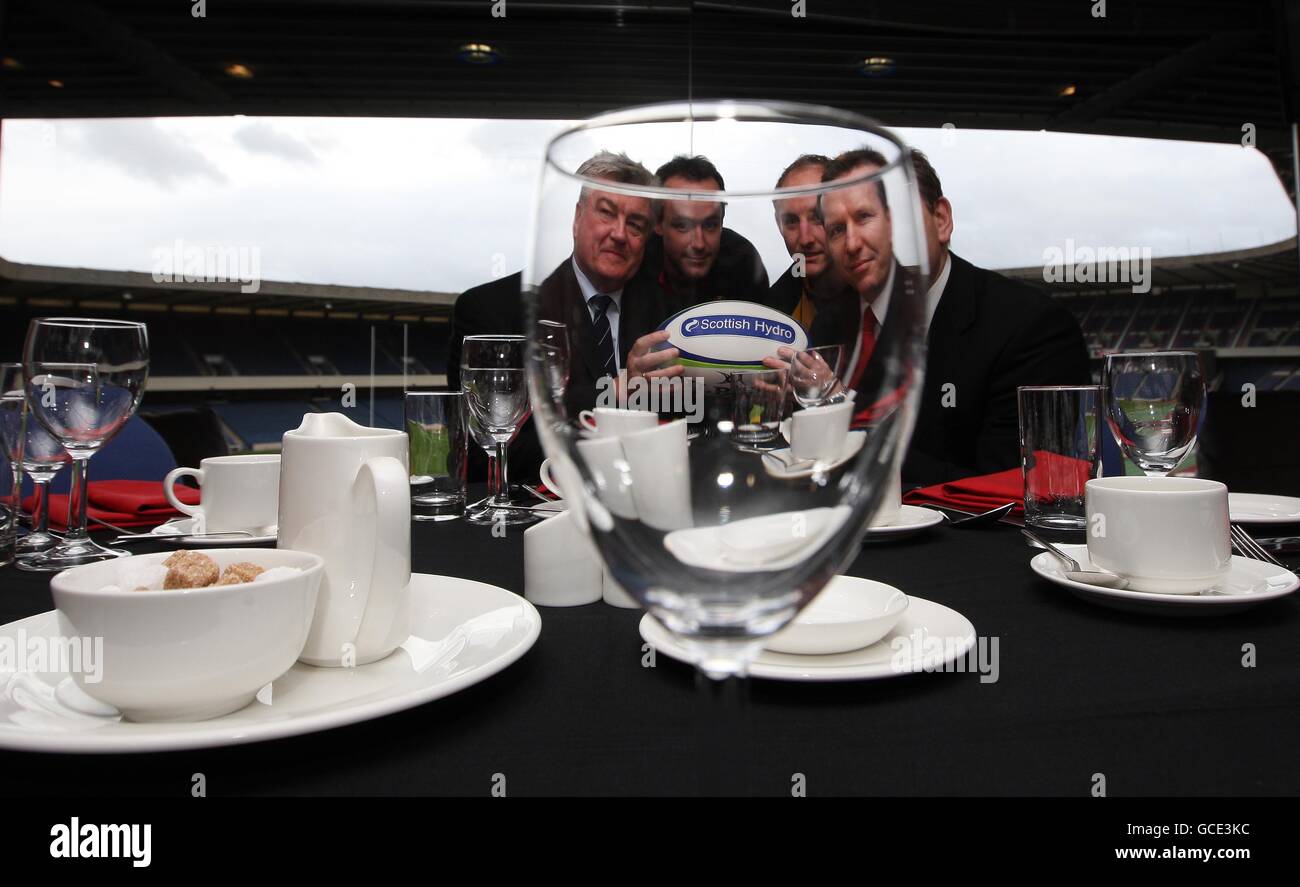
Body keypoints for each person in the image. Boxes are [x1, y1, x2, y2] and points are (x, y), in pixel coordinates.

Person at [811, 147, 1090, 485]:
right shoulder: (831, 327)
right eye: (837, 229)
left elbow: (1009, 492)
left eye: (870, 216)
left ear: (941, 220)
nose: (852, 243)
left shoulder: (1032, 328)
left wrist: (846, 421)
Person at [448, 151, 679, 482]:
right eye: (606, 213)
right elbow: (482, 455)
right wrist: (611, 394)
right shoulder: (494, 310)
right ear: (576, 218)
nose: (619, 233)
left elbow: (687, 429)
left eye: (635, 224)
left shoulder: (669, 320)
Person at [640, 155, 769, 317]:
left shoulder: (742, 260)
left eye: (710, 225)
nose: (699, 244)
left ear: (722, 221)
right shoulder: (636, 260)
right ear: (657, 223)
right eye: (683, 226)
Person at [765, 154, 854, 330]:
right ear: (778, 224)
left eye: (817, 217)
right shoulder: (771, 312)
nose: (805, 239)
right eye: (791, 221)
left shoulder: (879, 296)